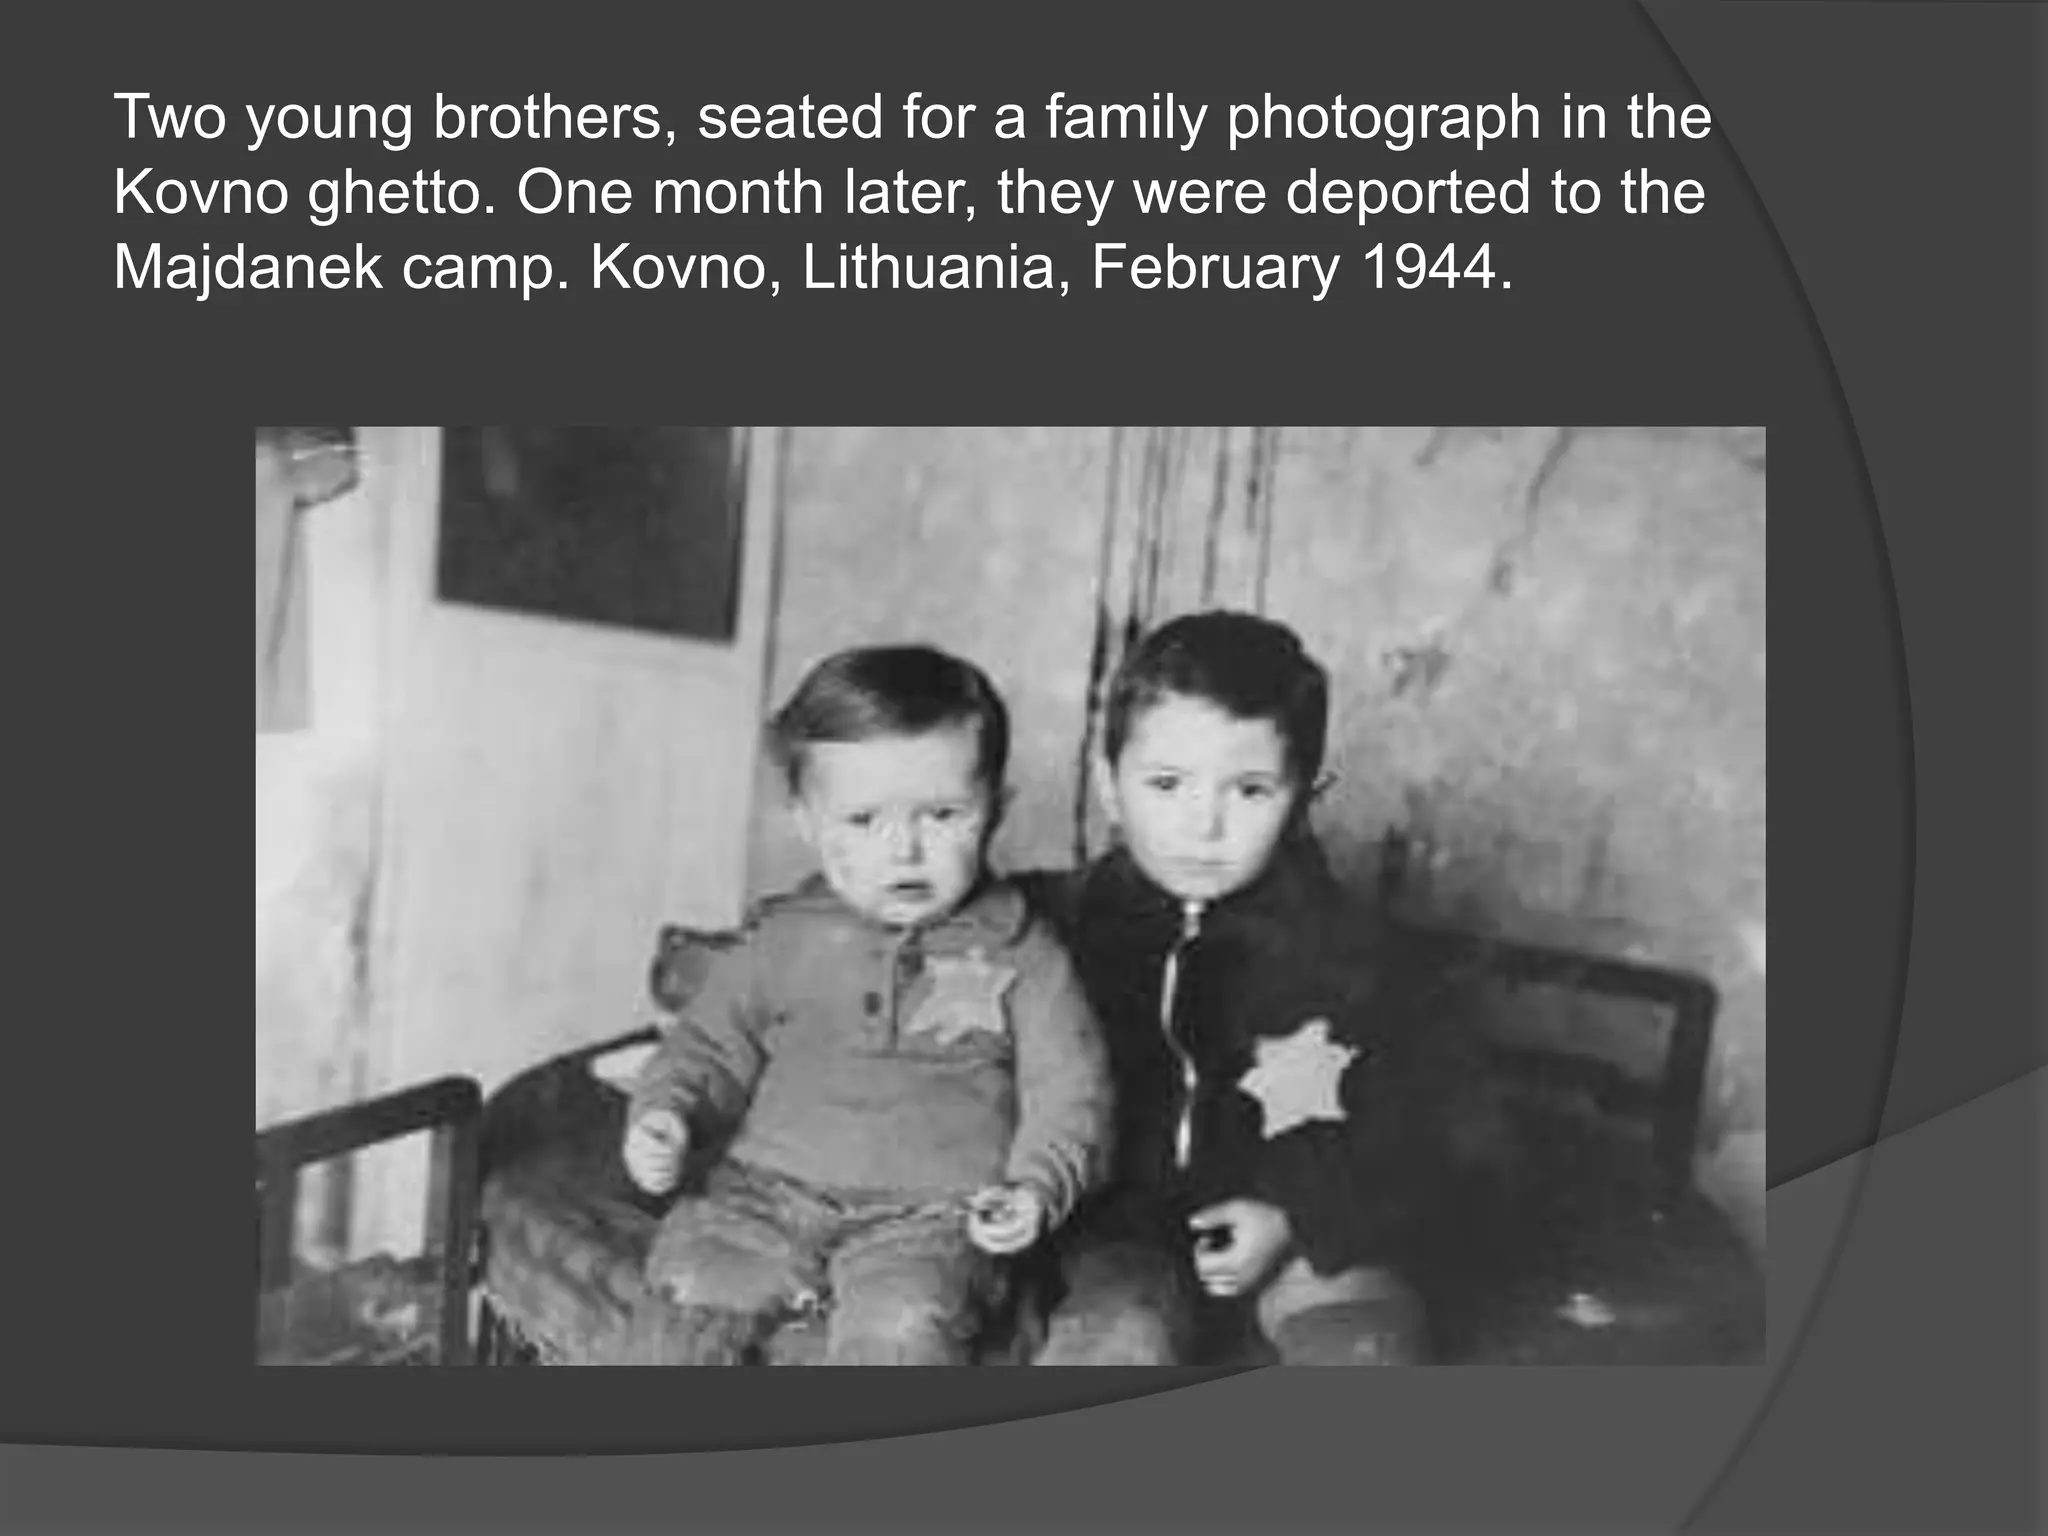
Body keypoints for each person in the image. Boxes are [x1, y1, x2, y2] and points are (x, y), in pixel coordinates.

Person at [610, 644, 1113, 1365]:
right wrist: (665, 1114)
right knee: (687, 1291)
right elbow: (708, 1044)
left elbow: (1073, 1092)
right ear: (808, 822)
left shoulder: (1024, 950)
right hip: (764, 1197)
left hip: (934, 1217)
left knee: (906, 1324)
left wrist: (1037, 1187)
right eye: (863, 821)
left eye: (942, 815)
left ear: (995, 811)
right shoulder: (785, 937)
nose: (904, 849)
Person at [1021, 611, 1454, 1366]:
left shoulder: (1351, 952)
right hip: (1125, 1240)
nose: (1203, 825)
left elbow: (1431, 1128)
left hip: (1302, 1226)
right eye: (1166, 783)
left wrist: (1296, 1218)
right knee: (1117, 1340)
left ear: (1303, 801)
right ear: (1109, 786)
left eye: (1250, 790)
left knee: (1366, 1343)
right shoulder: (1048, 927)